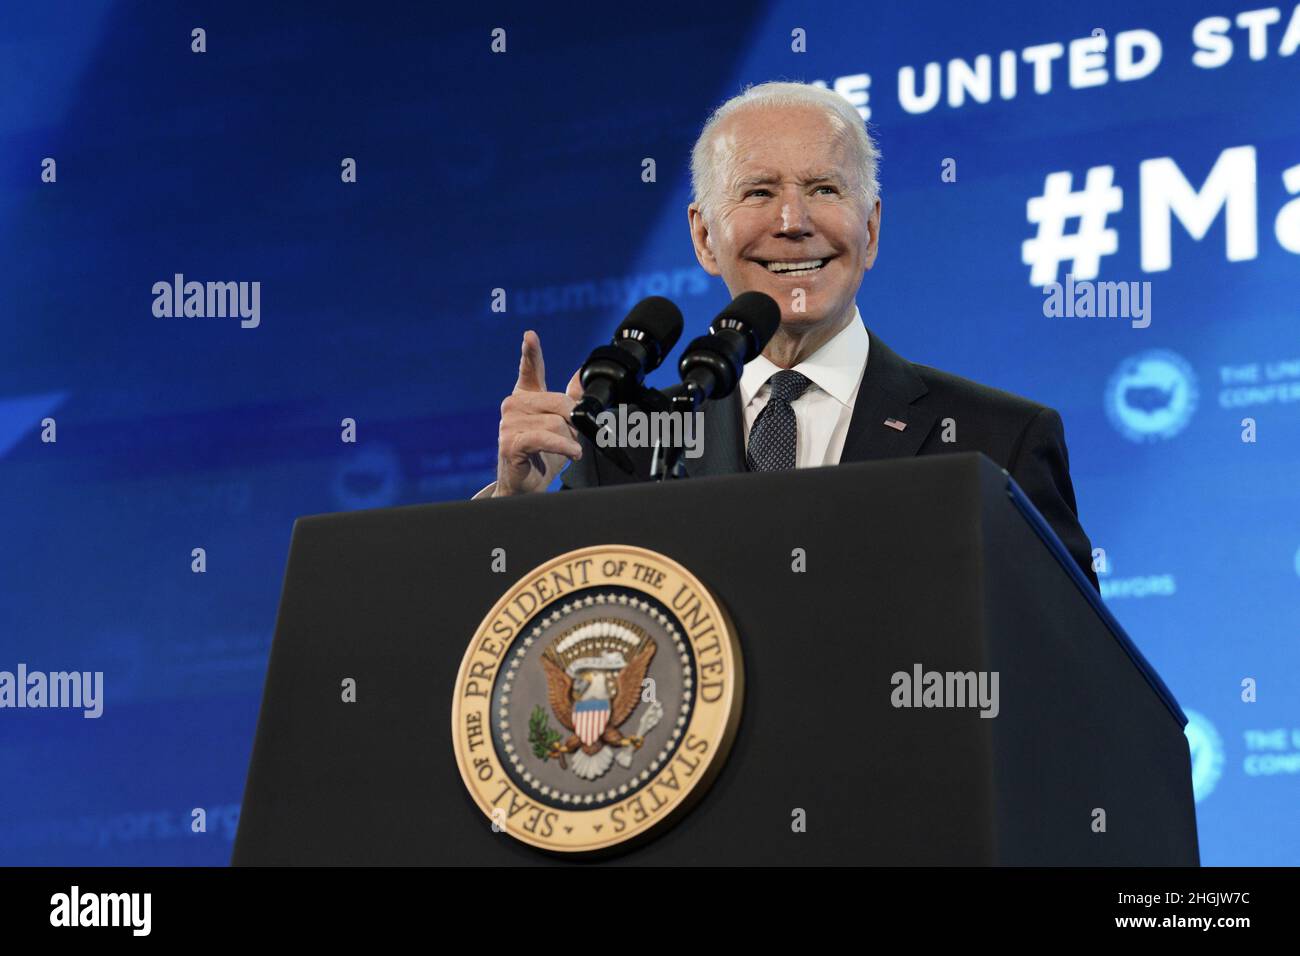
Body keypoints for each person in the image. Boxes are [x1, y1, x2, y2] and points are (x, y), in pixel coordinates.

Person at [481, 81, 1099, 590]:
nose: (793, 222)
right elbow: (545, 650)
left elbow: (1079, 674)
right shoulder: (624, 445)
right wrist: (518, 507)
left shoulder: (999, 441)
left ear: (871, 229)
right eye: (759, 192)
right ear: (703, 239)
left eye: (824, 189)